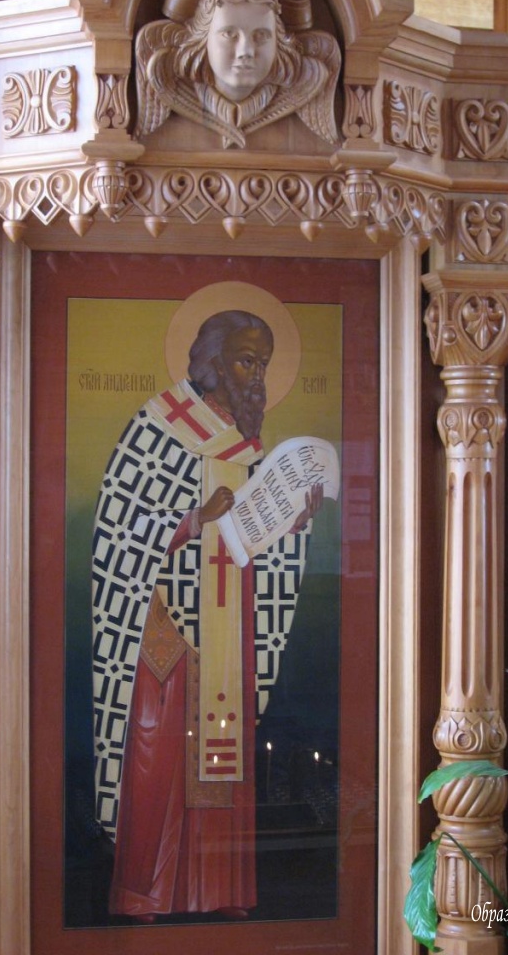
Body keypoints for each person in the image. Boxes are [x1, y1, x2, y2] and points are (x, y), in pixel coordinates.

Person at [91, 309, 321, 920]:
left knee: (225, 756)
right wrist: (193, 519)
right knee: (155, 757)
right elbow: (119, 528)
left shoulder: (247, 446)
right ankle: (143, 893)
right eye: (246, 361)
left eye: (264, 363)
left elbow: (253, 538)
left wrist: (293, 522)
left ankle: (219, 893)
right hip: (166, 630)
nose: (257, 376)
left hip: (227, 626)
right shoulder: (158, 428)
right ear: (213, 363)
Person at [134, 0, 340, 148]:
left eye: (261, 36)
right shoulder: (165, 77)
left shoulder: (307, 80)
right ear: (202, 38)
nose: (246, 51)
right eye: (229, 34)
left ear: (279, 43)